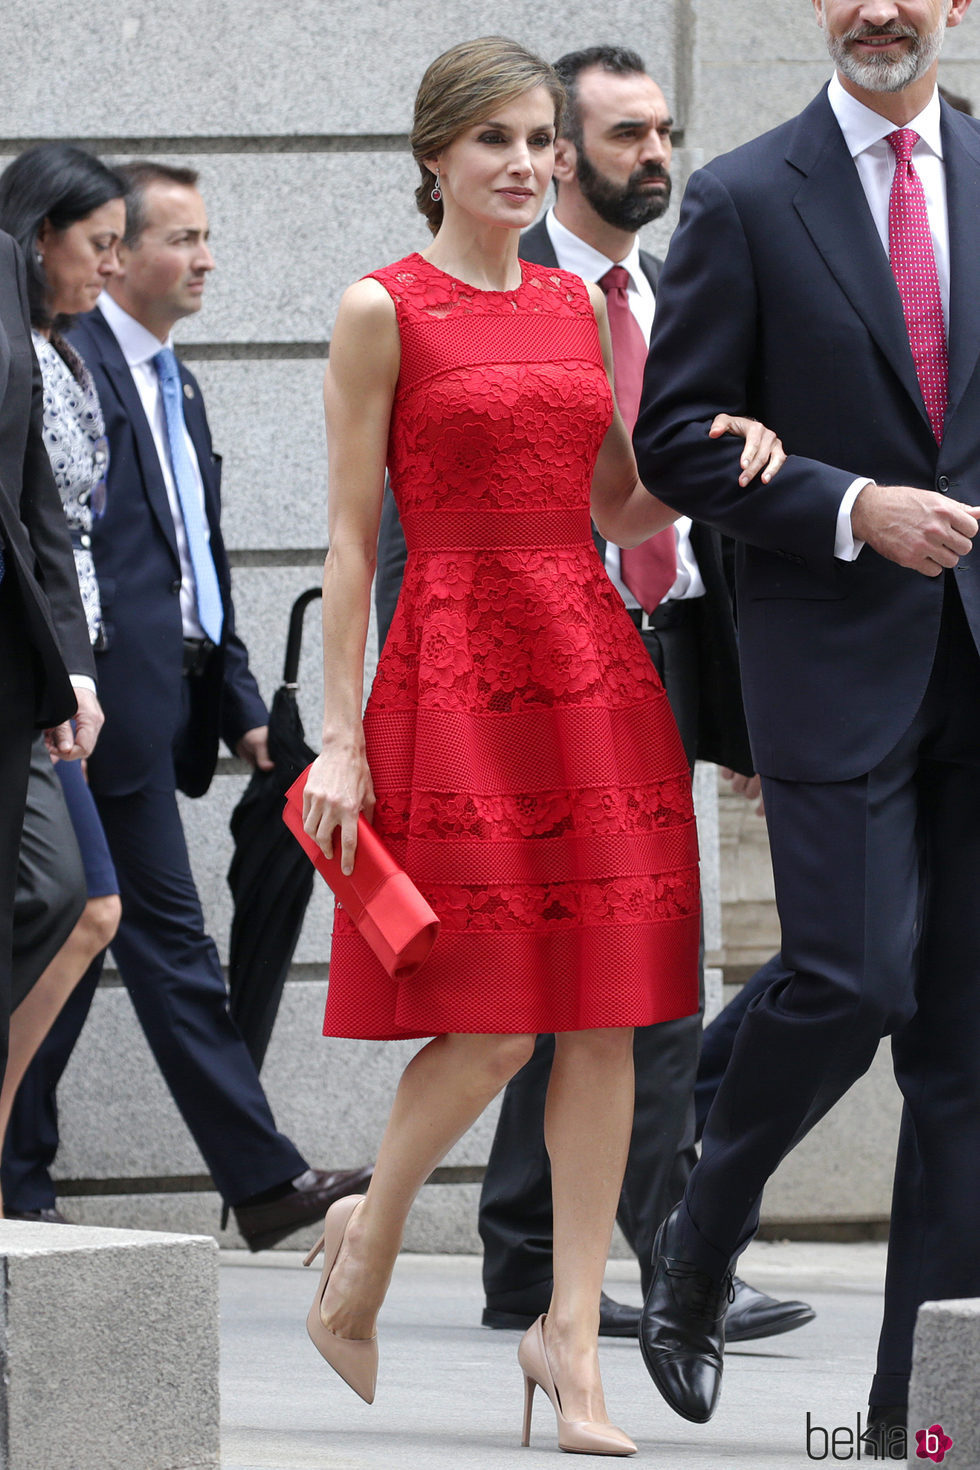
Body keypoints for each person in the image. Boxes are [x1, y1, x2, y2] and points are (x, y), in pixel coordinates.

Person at [300, 35, 783, 1453]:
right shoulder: (378, 308)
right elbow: (346, 534)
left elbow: (625, 505)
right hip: (453, 678)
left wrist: (733, 444)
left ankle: (571, 1338)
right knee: (496, 1013)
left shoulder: (577, 308)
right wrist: (341, 737)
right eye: (496, 142)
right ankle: (368, 1242)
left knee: (611, 1011)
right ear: (435, 157)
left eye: (538, 143)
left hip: (595, 672)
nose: (525, 165)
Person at [633, 0, 980, 1456]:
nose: (879, 9)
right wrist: (844, 503)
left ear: (956, 4)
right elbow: (675, 435)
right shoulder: (743, 194)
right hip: (832, 655)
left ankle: (931, 1414)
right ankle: (700, 1219)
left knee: (966, 1061)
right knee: (848, 969)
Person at [2, 160, 372, 1247]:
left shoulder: (173, 377)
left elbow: (190, 565)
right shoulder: (64, 362)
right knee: (141, 930)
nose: (195, 260)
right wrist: (69, 680)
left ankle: (23, 1174)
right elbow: (66, 546)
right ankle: (260, 1180)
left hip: (149, 696)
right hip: (83, 697)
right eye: (176, 238)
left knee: (85, 924)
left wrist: (241, 702)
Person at [0, 144, 127, 1216]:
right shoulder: (23, 354)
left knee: (88, 905)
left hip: (63, 662)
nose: (112, 269)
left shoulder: (70, 354)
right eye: (99, 245)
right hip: (37, 664)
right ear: (38, 236)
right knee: (82, 900)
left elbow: (58, 517)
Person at [0, 223, 102, 1098]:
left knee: (53, 890)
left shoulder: (2, 262)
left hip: (9, 658)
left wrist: (71, 660)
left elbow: (33, 490)